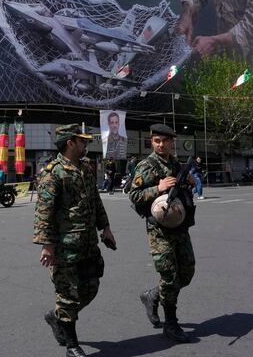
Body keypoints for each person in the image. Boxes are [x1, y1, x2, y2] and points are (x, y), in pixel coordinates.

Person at [34, 124, 116, 357]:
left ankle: (57, 315)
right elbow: (43, 212)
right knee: (68, 295)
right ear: (70, 143)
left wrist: (106, 227)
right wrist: (47, 245)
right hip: (65, 248)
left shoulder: (85, 169)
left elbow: (96, 201)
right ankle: (72, 346)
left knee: (91, 287)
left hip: (88, 243)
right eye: (82, 141)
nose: (86, 144)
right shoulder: (53, 173)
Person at [129, 124, 196, 343]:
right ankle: (171, 324)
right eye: (156, 140)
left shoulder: (177, 164)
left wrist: (189, 182)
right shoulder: (145, 165)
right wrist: (157, 188)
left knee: (186, 273)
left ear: (171, 142)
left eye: (165, 141)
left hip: (180, 226)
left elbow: (182, 193)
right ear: (151, 141)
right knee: (169, 276)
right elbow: (134, 196)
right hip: (159, 231)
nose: (161, 144)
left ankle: (152, 295)